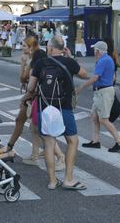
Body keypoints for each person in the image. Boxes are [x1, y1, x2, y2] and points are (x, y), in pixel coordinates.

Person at [22, 35, 89, 190]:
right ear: (62, 48)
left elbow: (31, 88)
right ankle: (68, 179)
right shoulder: (69, 63)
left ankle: (52, 181)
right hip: (63, 108)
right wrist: (71, 57)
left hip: (44, 108)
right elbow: (85, 74)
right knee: (72, 141)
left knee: (49, 144)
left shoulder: (40, 63)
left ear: (50, 48)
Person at [0, 36, 64, 170]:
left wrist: (23, 63)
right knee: (34, 128)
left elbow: (25, 79)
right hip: (34, 97)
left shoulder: (36, 59)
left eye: (24, 46)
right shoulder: (36, 57)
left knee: (38, 128)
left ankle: (59, 156)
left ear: (31, 47)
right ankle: (34, 155)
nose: (22, 48)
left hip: (34, 97)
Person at [77, 41, 120, 152]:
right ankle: (95, 141)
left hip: (103, 92)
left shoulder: (102, 61)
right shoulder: (107, 59)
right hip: (102, 91)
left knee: (103, 119)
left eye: (95, 49)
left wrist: (82, 86)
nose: (94, 51)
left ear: (98, 51)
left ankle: (119, 142)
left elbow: (95, 78)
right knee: (94, 116)